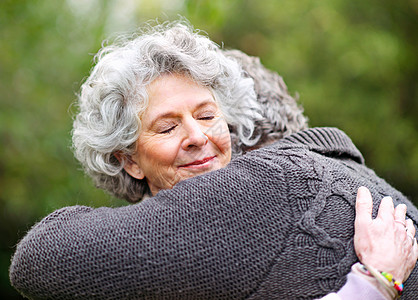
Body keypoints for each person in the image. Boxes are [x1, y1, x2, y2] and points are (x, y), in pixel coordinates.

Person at [9, 20, 418, 299]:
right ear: (128, 161)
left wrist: (375, 284)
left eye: (207, 116)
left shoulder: (243, 195)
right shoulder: (338, 172)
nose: (197, 136)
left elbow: (36, 259)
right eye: (167, 127)